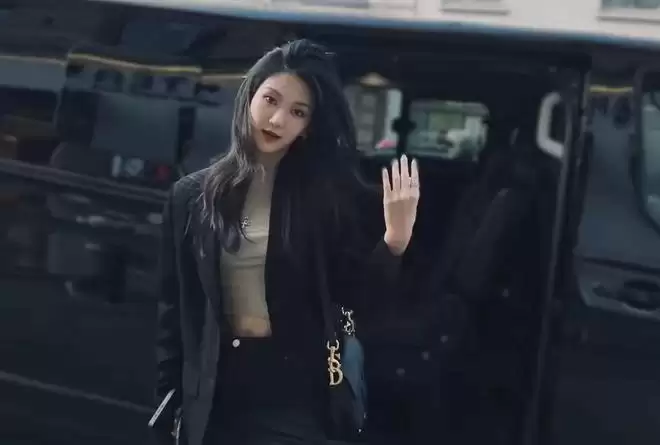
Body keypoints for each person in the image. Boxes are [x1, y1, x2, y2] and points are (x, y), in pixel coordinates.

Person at [155, 39, 420, 445]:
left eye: (298, 112)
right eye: (271, 100)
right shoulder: (191, 197)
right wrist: (169, 405)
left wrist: (394, 242)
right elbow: (175, 314)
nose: (277, 119)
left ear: (308, 126)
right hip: (213, 400)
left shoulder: (323, 199)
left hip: (293, 400)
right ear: (249, 97)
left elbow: (355, 301)